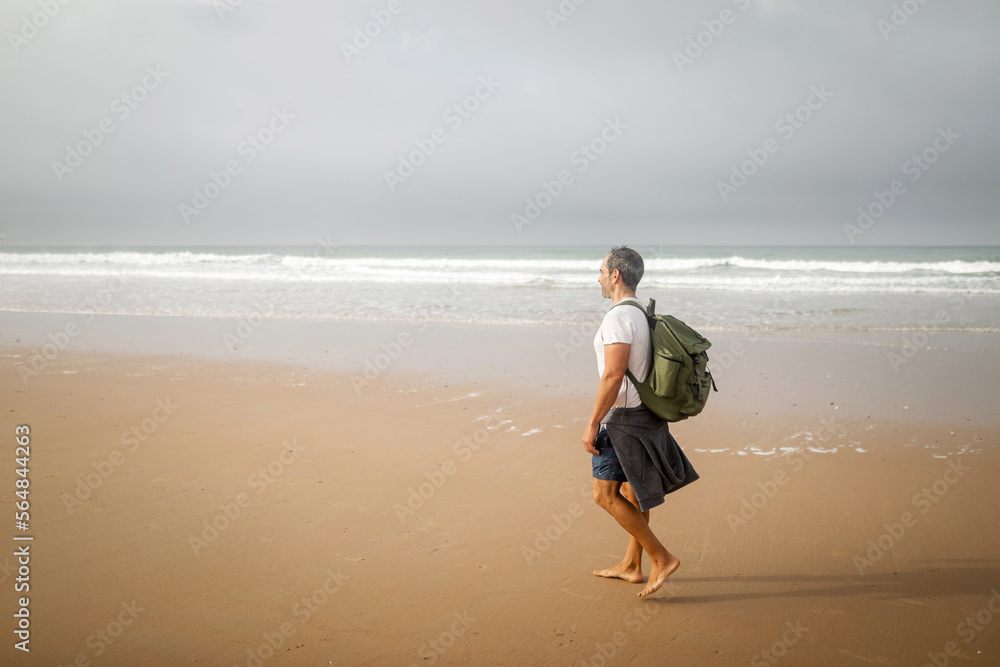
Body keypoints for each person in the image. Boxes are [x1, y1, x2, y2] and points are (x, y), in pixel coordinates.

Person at [582, 246, 699, 598]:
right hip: (644, 415)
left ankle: (660, 558)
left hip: (622, 420)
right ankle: (632, 566)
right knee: (633, 491)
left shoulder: (618, 318)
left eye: (602, 271)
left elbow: (614, 374)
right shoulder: (641, 315)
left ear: (615, 275)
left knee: (604, 494)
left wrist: (593, 422)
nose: (599, 277)